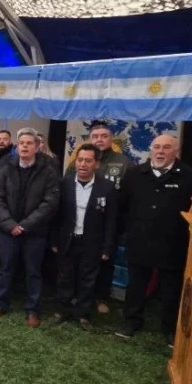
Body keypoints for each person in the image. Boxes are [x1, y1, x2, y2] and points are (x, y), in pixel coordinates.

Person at [116, 134, 192, 343]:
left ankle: (169, 328)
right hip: (139, 240)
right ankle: (131, 321)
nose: (160, 151)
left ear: (176, 151)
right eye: (156, 147)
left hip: (173, 244)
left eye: (166, 147)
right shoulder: (134, 174)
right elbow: (122, 206)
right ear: (151, 150)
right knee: (136, 285)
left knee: (171, 289)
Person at [0, 127, 60, 326]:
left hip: (34, 232)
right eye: (22, 143)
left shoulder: (48, 171)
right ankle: (1, 304)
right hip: (8, 230)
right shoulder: (5, 168)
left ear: (37, 147)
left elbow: (50, 204)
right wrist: (11, 225)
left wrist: (25, 226)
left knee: (33, 271)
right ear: (17, 146)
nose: (25, 146)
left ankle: (32, 310)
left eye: (30, 143)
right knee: (5, 269)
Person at [67, 121, 133, 314]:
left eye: (104, 136)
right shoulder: (76, 162)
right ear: (89, 139)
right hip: (82, 221)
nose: (99, 140)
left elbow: (130, 193)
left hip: (111, 221)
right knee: (79, 263)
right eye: (95, 137)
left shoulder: (124, 162)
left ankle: (101, 297)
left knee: (105, 262)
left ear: (111, 139)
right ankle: (77, 295)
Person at [51, 143, 118, 330]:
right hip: (67, 239)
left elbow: (112, 220)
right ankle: (62, 310)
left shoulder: (107, 187)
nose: (83, 164)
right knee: (65, 276)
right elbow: (56, 215)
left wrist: (107, 247)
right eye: (80, 160)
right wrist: (54, 240)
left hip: (92, 242)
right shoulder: (65, 183)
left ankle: (83, 314)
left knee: (87, 279)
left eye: (88, 161)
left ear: (96, 164)